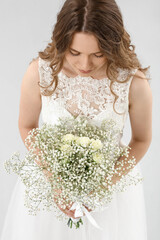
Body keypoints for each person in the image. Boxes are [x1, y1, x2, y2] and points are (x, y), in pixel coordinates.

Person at [1, 0, 152, 239]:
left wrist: (103, 187)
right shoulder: (40, 72)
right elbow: (27, 125)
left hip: (110, 196)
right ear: (62, 42)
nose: (85, 64)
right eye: (74, 52)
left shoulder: (133, 83)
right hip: (50, 190)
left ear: (113, 46)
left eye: (98, 54)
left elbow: (142, 140)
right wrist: (55, 181)